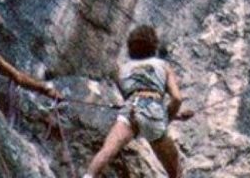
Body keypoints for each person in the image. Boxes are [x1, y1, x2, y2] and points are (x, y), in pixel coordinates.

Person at [82, 24, 191, 178]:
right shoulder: (163, 66)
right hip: (153, 109)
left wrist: (175, 117)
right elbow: (177, 99)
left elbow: (134, 100)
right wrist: (168, 118)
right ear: (154, 45)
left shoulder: (122, 70)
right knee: (176, 172)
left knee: (107, 151)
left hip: (130, 109)